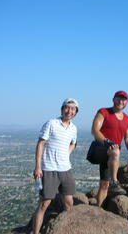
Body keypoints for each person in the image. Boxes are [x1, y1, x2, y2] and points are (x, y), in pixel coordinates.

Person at [32, 98, 79, 234]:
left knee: (69, 202)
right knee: (44, 204)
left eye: (73, 109)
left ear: (76, 112)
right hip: (49, 169)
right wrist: (37, 166)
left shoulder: (73, 128)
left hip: (66, 169)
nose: (69, 111)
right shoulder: (51, 123)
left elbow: (73, 143)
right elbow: (41, 144)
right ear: (62, 108)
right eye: (67, 107)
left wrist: (66, 154)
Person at [91, 90, 128, 207]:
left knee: (104, 183)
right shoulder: (104, 112)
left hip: (111, 155)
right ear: (113, 99)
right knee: (116, 150)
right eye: (118, 98)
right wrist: (106, 141)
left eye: (123, 99)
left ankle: (99, 209)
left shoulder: (126, 119)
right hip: (100, 147)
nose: (121, 101)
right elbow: (94, 130)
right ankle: (115, 182)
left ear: (127, 102)